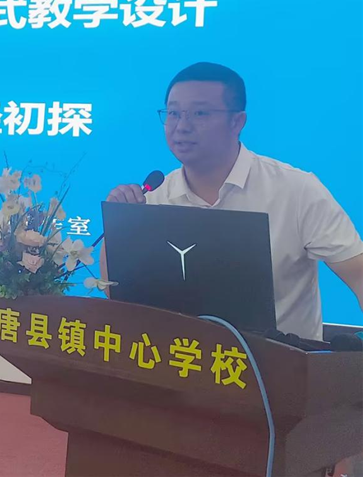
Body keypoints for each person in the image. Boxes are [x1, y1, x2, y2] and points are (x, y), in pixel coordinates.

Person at [102, 62, 363, 342]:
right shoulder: (153, 197)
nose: (182, 127)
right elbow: (115, 289)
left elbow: (358, 275)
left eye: (200, 113)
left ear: (237, 122)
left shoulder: (296, 190)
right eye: (173, 113)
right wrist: (120, 224)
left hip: (282, 363)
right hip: (180, 358)